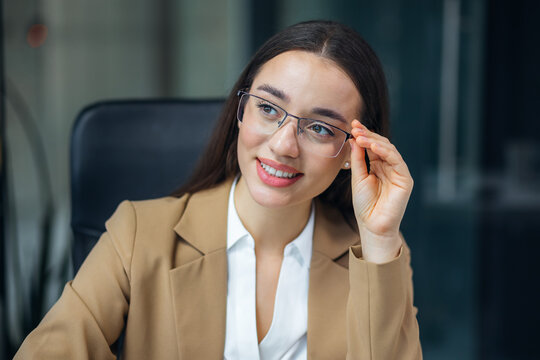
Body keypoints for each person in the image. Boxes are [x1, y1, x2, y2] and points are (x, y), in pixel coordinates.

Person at [16, 20, 422, 359]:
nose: (283, 145)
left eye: (319, 128)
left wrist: (380, 237)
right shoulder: (139, 233)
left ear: (354, 152)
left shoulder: (377, 255)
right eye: (267, 108)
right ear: (241, 112)